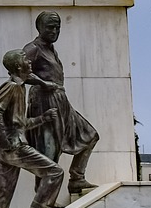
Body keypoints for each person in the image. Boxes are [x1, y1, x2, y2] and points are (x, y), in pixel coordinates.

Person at [0, 50, 64, 208]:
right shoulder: (11, 87)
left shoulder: (19, 87)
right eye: (26, 59)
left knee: (2, 193)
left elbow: (18, 122)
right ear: (19, 66)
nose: (29, 62)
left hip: (5, 147)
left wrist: (42, 119)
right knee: (54, 172)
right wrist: (6, 140)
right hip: (13, 148)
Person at [24, 11, 98, 197]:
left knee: (89, 135)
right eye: (50, 27)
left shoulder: (51, 49)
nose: (55, 31)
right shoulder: (33, 48)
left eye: (58, 27)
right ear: (39, 27)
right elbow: (18, 72)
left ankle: (77, 178)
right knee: (48, 152)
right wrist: (42, 83)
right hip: (44, 102)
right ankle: (43, 201)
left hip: (61, 101)